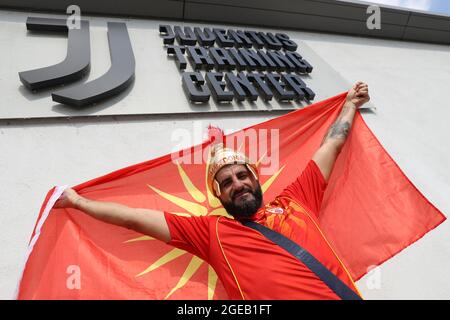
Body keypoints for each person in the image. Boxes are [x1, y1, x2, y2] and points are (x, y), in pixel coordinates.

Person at [55, 82, 370, 299]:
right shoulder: (212, 232)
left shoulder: (297, 199)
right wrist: (79, 202)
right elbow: (135, 218)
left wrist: (349, 106)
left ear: (256, 178)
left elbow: (333, 143)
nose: (238, 184)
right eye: (227, 182)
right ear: (218, 196)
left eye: (242, 175)